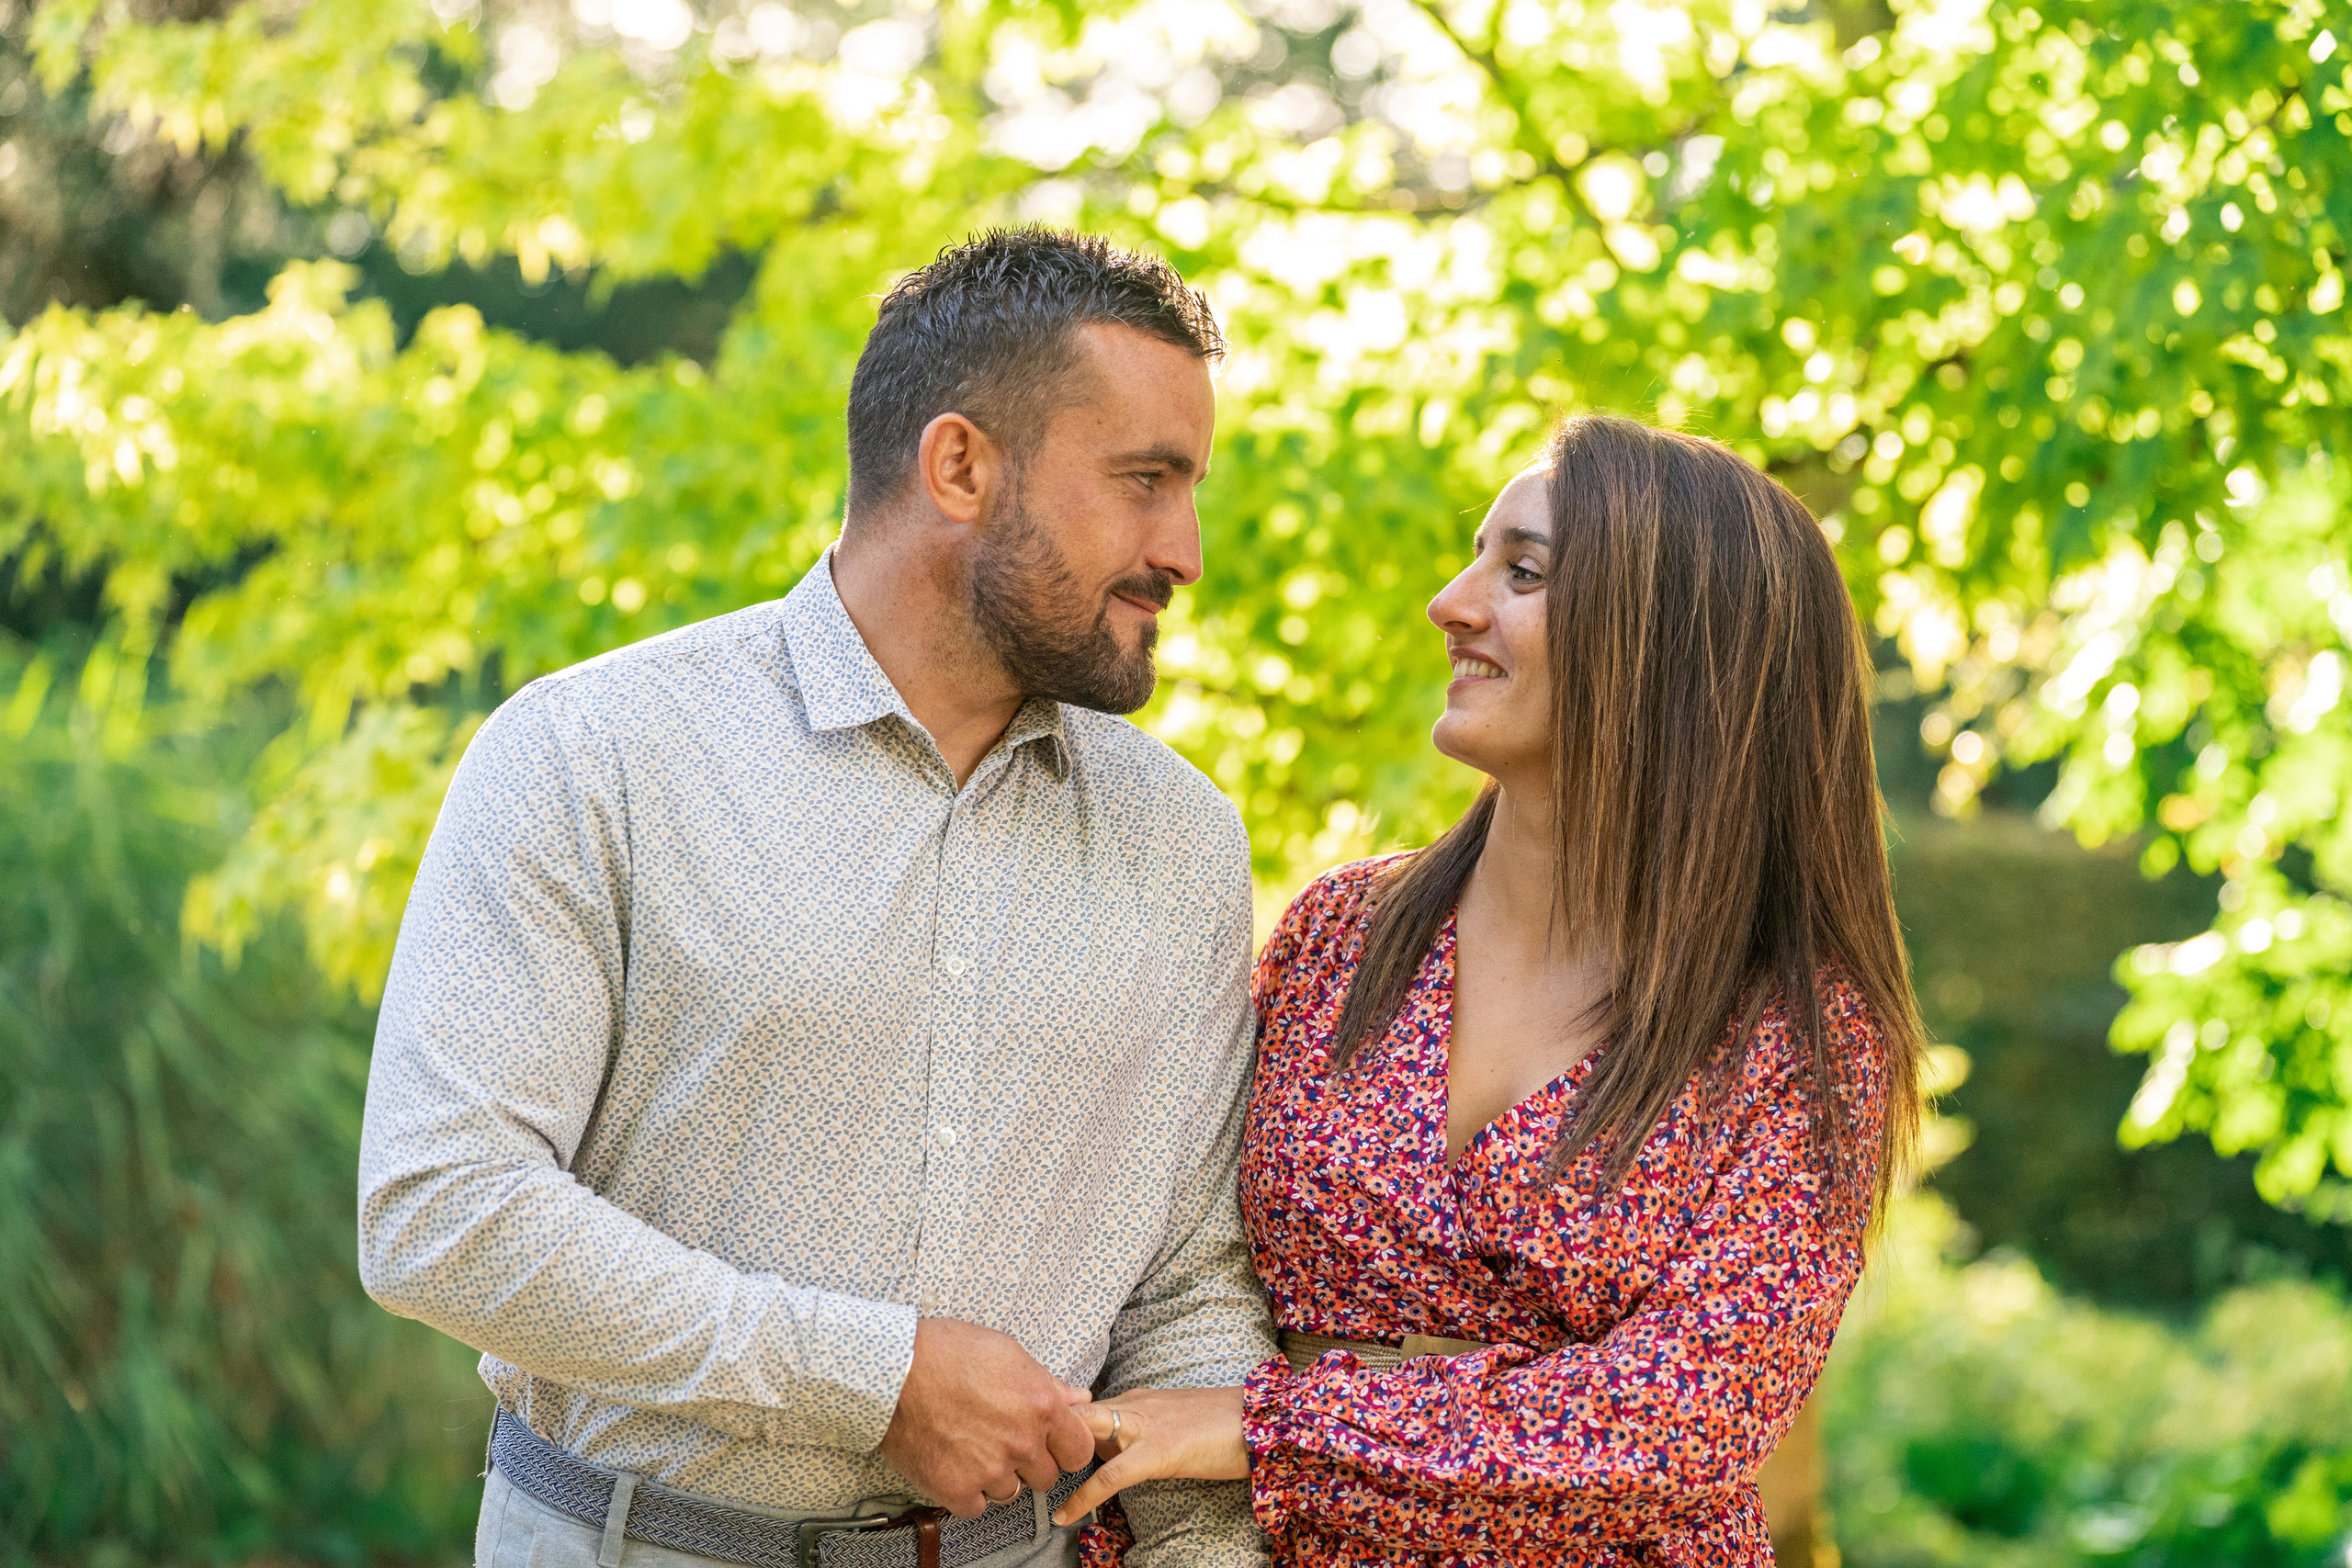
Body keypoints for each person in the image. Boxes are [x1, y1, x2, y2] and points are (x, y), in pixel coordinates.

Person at [357, 229, 1275, 1568]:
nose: (1184, 549)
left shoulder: (1181, 839)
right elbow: (441, 1206)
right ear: (958, 465)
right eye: (1145, 481)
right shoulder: (592, 753)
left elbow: (1189, 1288)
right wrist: (874, 1373)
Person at [1056, 412, 1926, 1564]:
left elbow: (1678, 1422)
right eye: (1476, 558)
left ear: (1669, 646)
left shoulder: (1800, 1040)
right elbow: (1180, 1252)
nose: (1452, 603)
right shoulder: (1341, 935)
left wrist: (1276, 1428)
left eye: (1522, 572)